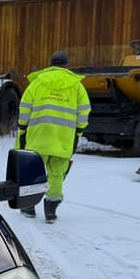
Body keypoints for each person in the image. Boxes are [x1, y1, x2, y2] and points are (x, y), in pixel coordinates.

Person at [17, 51, 90, 222]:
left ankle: (29, 206)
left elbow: (25, 106)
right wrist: (79, 131)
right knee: (57, 173)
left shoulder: (37, 83)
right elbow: (84, 112)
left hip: (38, 135)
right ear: (67, 65)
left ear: (50, 64)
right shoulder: (77, 86)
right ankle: (51, 209)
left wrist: (22, 126)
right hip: (63, 138)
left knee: (34, 170)